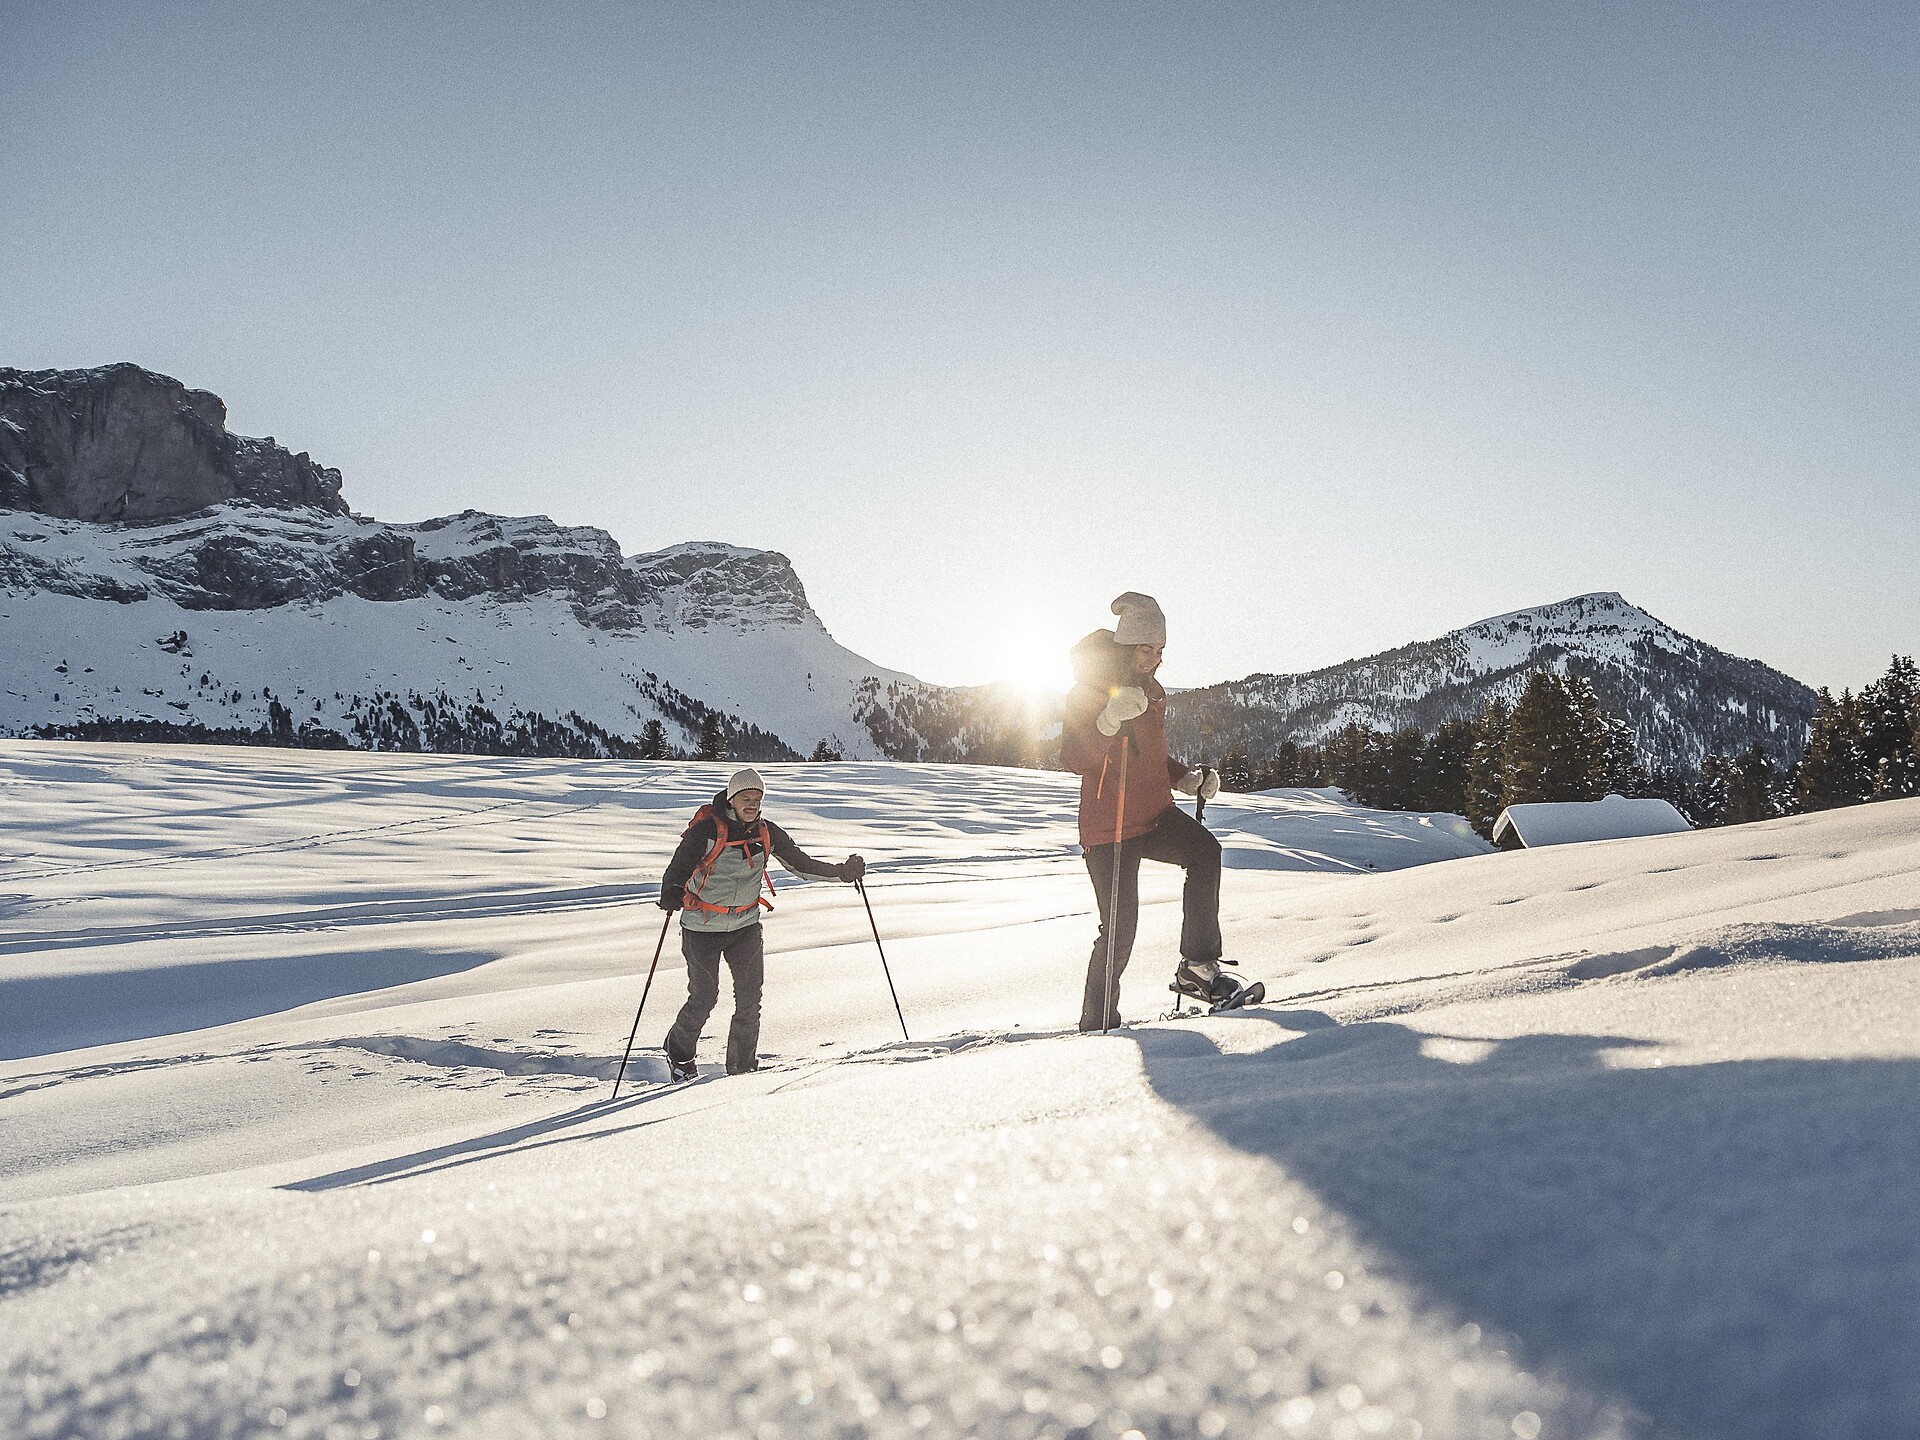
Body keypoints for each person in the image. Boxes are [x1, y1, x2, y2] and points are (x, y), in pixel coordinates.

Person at [1061, 592, 1231, 1031]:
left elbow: (1151, 758)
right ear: (1125, 646)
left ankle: (1197, 967)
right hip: (1109, 827)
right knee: (1119, 931)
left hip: (1154, 814)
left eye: (1160, 651)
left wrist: (1185, 779)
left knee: (1204, 852)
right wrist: (1106, 720)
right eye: (1145, 649)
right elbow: (1074, 758)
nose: (1153, 659)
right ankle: (1097, 1022)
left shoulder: (1153, 692)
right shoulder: (1089, 691)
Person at [658, 767, 865, 1078]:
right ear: (732, 799)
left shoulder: (766, 832)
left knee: (749, 1000)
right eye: (745, 798)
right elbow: (679, 867)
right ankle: (679, 1053)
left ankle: (742, 1070)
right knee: (704, 997)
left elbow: (802, 864)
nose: (752, 804)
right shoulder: (706, 831)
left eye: (757, 798)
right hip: (702, 928)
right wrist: (672, 891)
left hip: (745, 927)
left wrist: (842, 872)